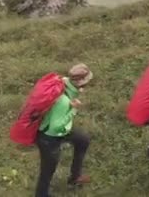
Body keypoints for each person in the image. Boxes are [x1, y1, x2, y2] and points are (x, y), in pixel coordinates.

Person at [35, 63, 93, 197]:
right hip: (49, 137)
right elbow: (56, 127)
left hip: (59, 130)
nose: (87, 85)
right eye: (86, 82)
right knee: (48, 170)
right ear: (79, 82)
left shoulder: (65, 83)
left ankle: (75, 178)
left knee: (83, 140)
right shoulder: (63, 101)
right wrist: (73, 109)